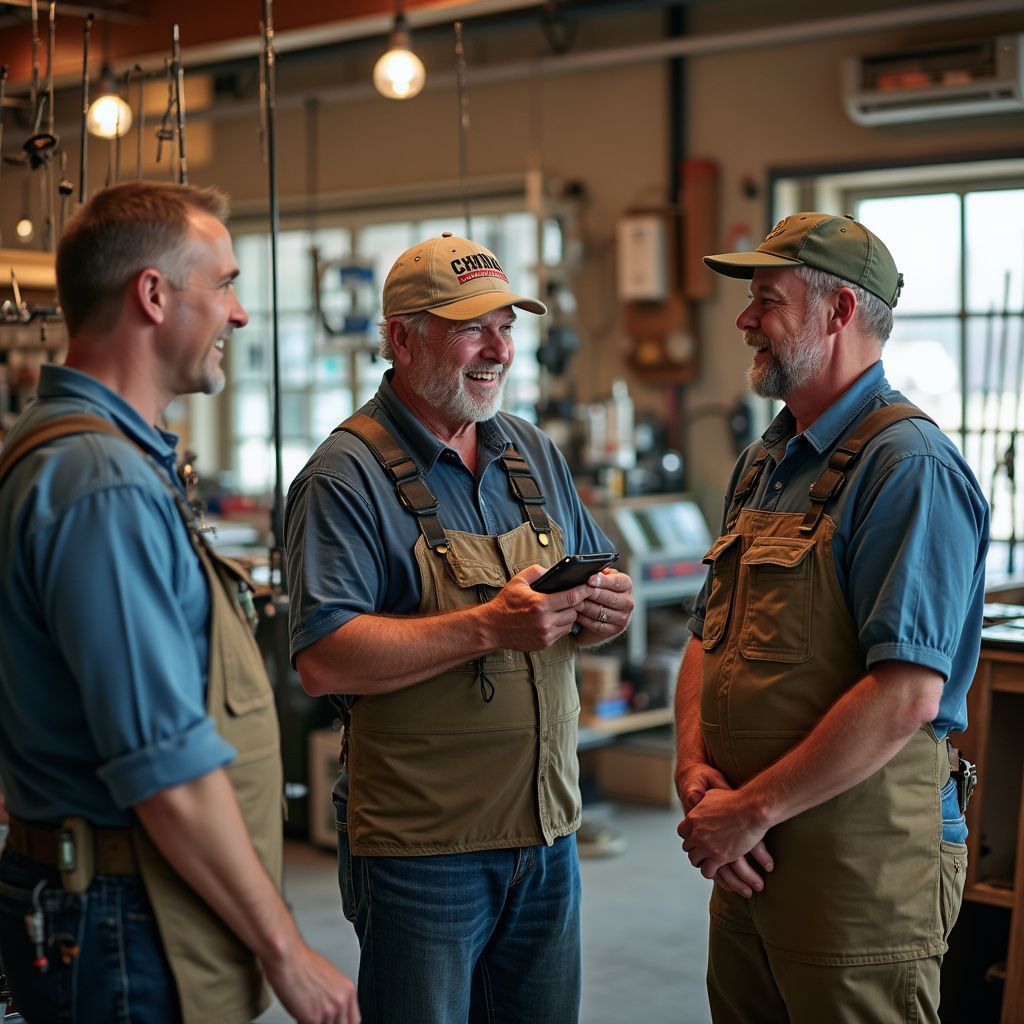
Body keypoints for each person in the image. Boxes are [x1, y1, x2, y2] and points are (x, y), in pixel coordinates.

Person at [0, 181, 359, 1024]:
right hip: (125, 912)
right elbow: (164, 767)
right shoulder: (100, 483)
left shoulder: (70, 450)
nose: (238, 314)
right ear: (153, 296)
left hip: (120, 894)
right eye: (225, 284)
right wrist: (285, 949)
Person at [285, 230, 634, 1023]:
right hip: (424, 853)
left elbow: (592, 576)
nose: (499, 350)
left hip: (546, 837)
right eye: (473, 327)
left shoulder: (530, 452)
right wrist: (487, 627)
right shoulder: (343, 479)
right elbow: (324, 659)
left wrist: (605, 609)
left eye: (508, 326)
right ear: (403, 339)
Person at [673, 212, 989, 1023]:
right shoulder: (765, 460)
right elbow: (709, 638)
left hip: (857, 868)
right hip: (748, 850)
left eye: (767, 300)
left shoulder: (907, 468)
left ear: (840, 311)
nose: (745, 320)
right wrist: (694, 772)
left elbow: (906, 694)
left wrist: (748, 810)